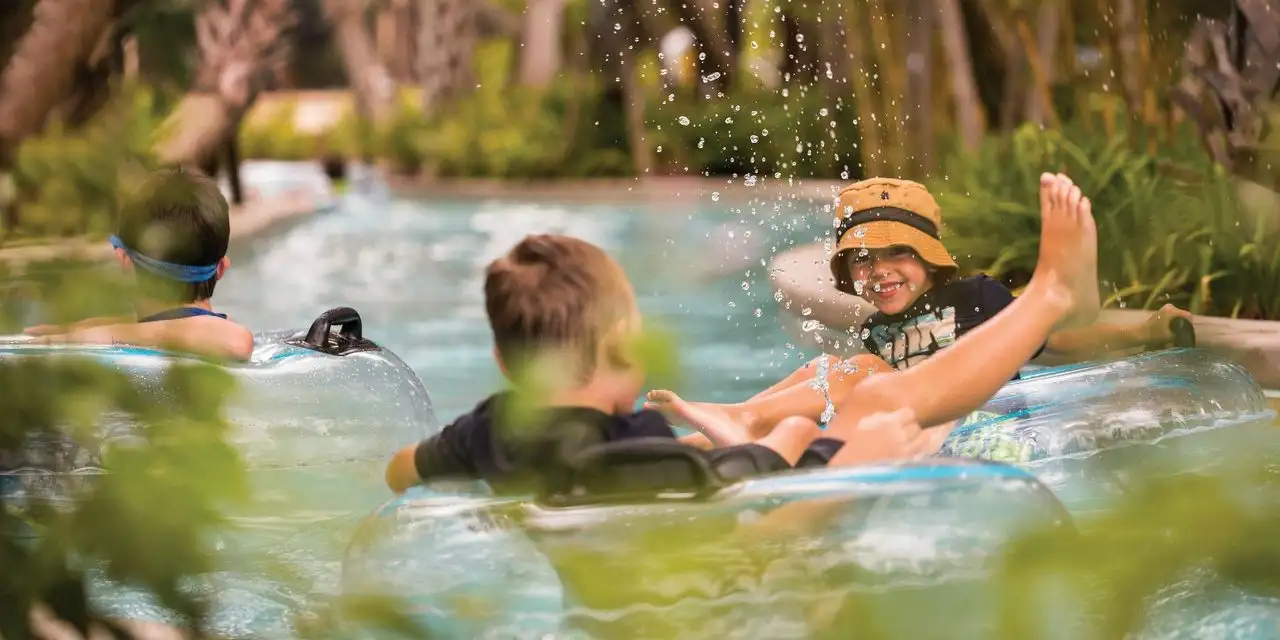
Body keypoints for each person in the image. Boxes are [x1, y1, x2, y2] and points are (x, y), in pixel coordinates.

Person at [647, 174, 1181, 442]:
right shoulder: (878, 329)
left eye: (896, 253)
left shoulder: (976, 298)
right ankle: (715, 435)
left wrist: (1147, 334)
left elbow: (1054, 341)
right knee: (827, 369)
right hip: (905, 433)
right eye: (862, 260)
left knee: (859, 371)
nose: (879, 271)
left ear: (929, 257)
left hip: (980, 434)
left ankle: (744, 420)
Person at [383, 233, 826, 496]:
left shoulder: (486, 430)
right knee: (832, 426)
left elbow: (399, 470)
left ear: (502, 362)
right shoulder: (637, 442)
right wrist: (791, 435)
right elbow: (733, 478)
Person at [23, 169, 254, 362]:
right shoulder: (188, 340)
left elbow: (235, 341)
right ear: (221, 268)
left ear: (125, 262)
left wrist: (103, 335)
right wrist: (89, 327)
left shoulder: (223, 336)